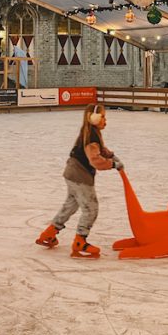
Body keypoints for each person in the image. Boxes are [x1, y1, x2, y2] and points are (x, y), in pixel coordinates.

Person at [36, 103, 122, 258]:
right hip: (80, 176)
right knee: (91, 209)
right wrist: (113, 164)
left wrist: (110, 155)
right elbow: (95, 160)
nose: (105, 121)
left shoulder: (90, 132)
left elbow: (100, 150)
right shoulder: (91, 136)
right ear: (94, 118)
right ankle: (80, 240)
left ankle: (49, 233)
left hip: (71, 173)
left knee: (70, 205)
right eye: (102, 117)